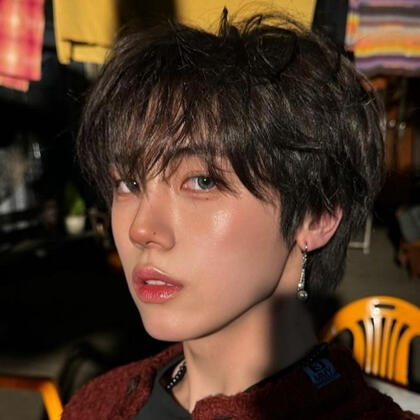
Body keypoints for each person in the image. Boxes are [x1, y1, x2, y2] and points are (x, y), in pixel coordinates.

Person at [62, 10, 419, 420]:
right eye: (128, 183)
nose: (141, 228)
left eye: (202, 181)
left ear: (318, 216)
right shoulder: (95, 404)